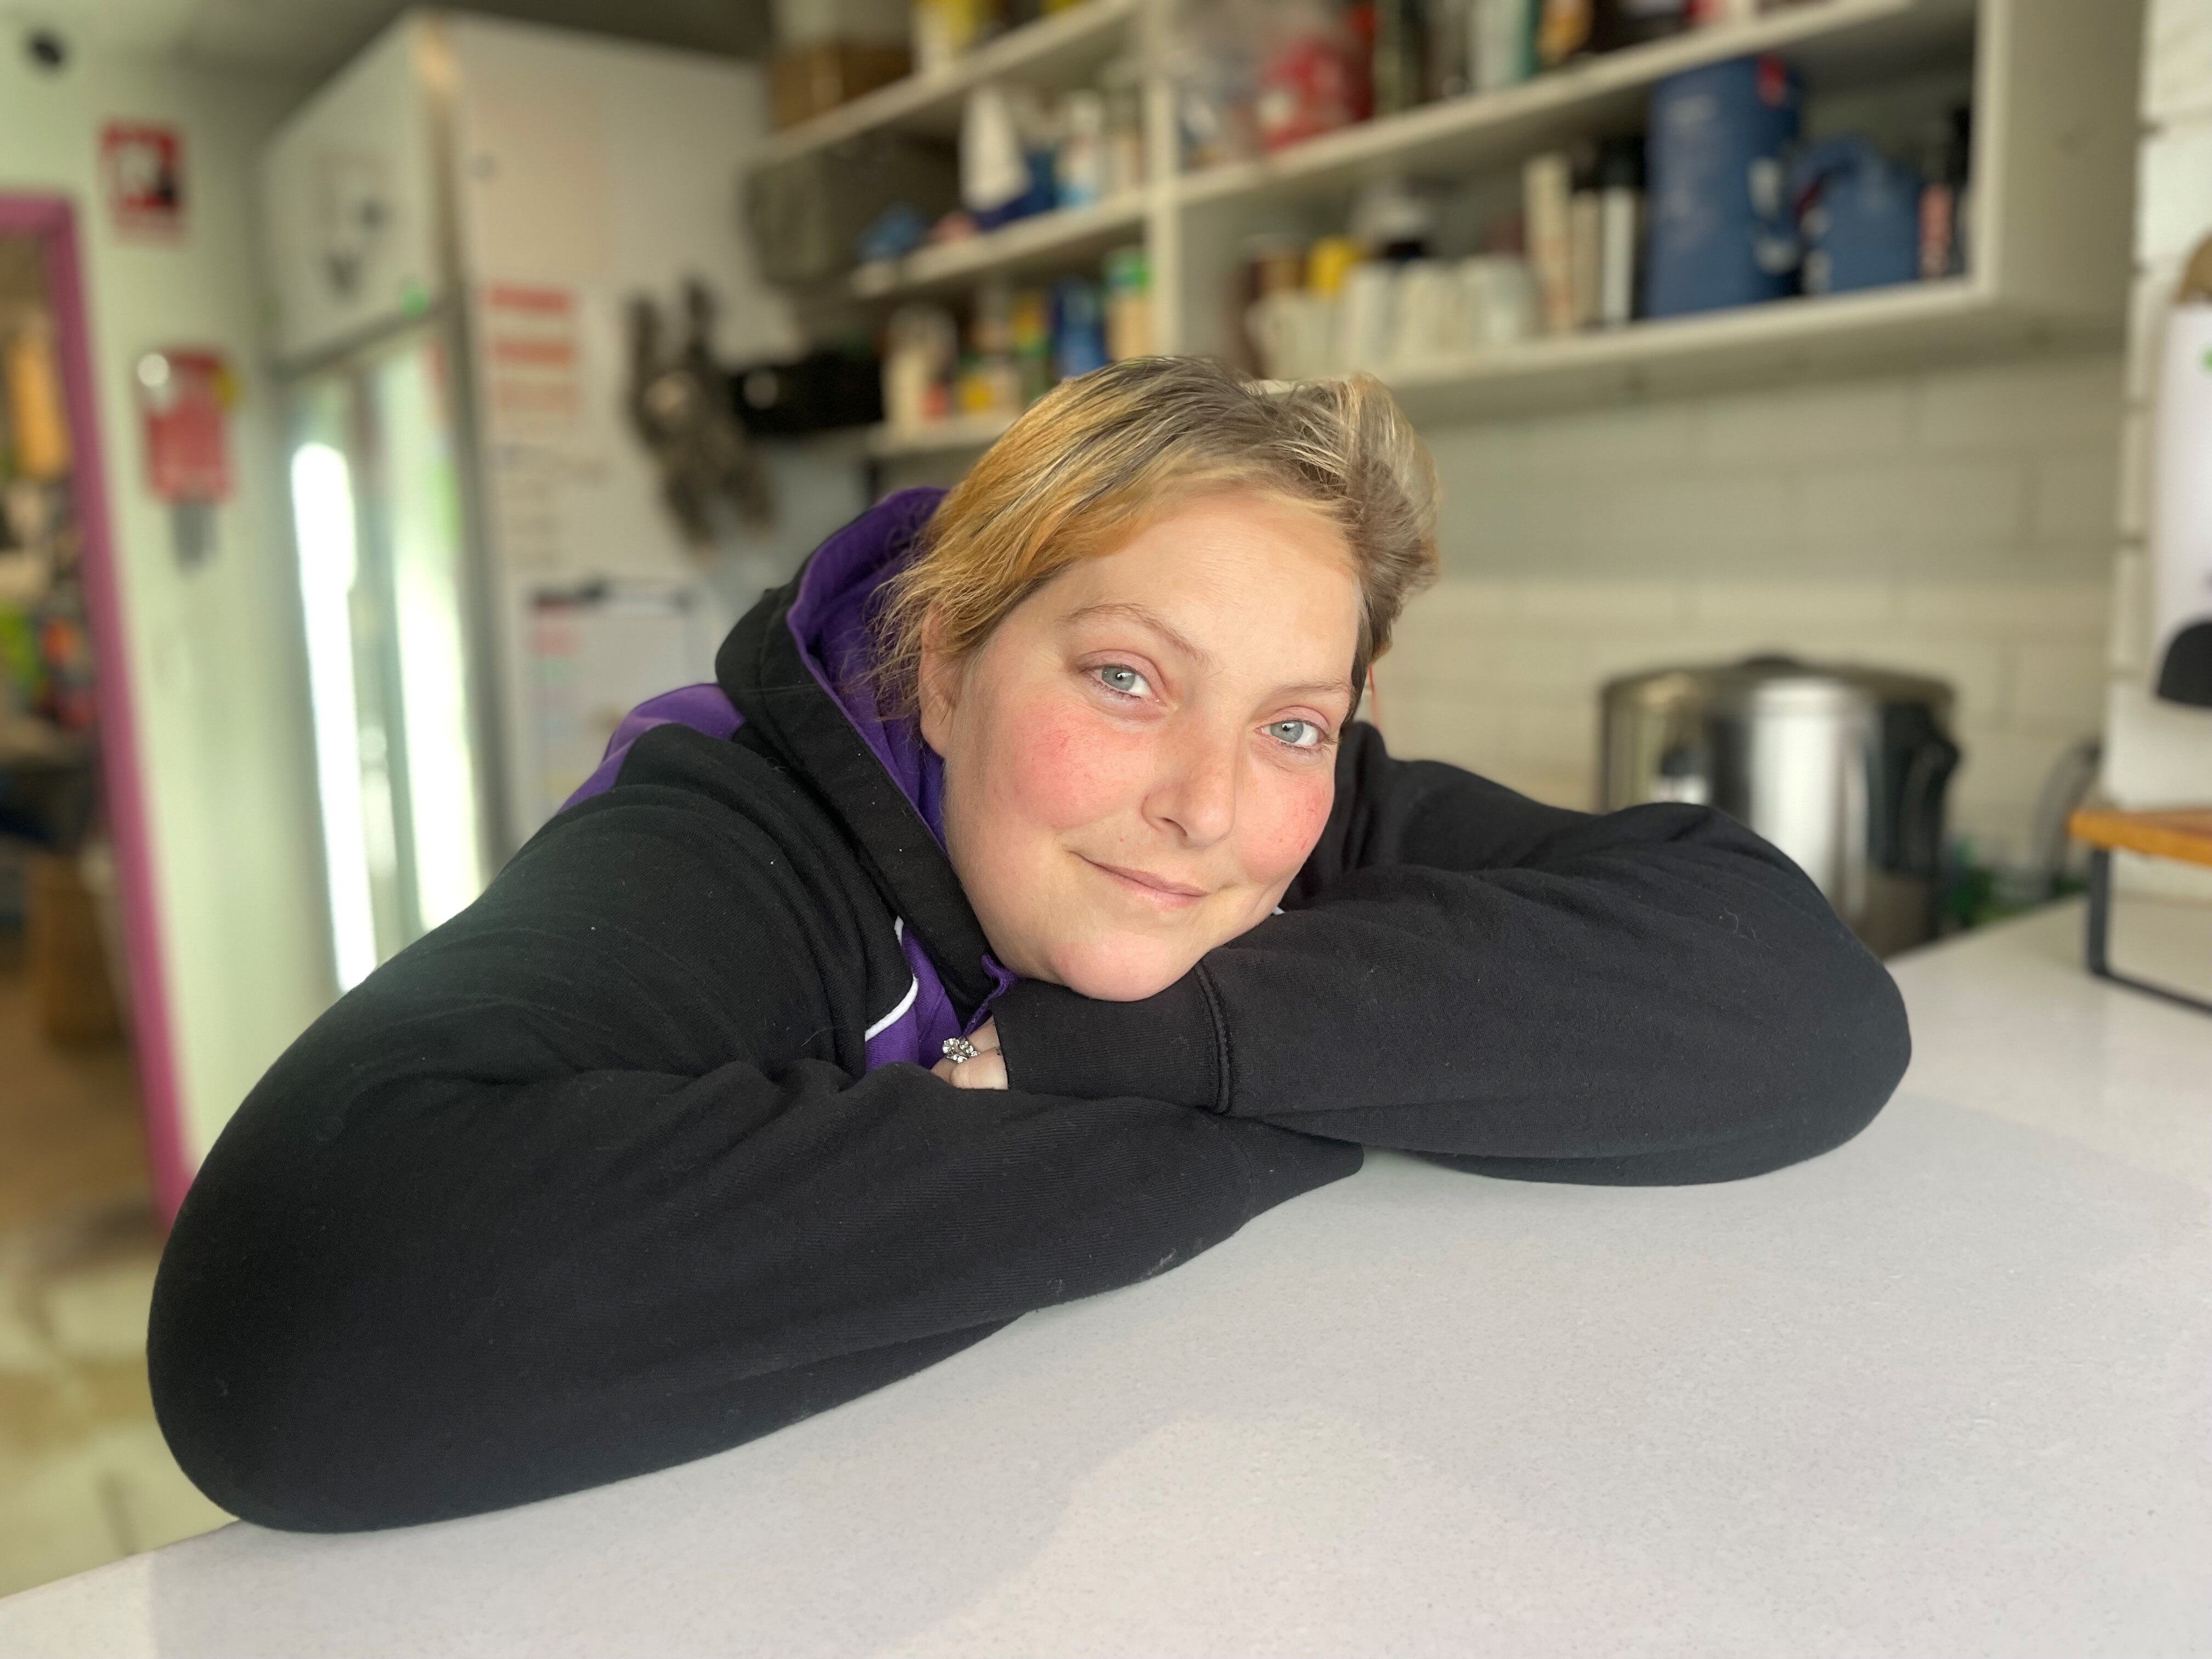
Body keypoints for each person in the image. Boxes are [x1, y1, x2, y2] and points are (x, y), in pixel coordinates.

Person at [149, 359, 1908, 1533]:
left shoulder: (1295, 813)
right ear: (944, 661)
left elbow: (1803, 1008)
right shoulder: (736, 838)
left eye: (1296, 721)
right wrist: (1303, 1103)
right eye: (1128, 678)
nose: (1211, 808)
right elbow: (294, 1329)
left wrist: (1137, 1060)